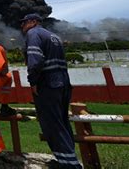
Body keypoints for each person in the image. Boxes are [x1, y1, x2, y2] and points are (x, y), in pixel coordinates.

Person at [20, 13, 82, 168]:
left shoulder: (33, 34)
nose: (22, 26)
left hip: (47, 83)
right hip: (63, 82)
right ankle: (69, 158)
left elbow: (35, 60)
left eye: (24, 23)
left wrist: (33, 81)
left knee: (52, 124)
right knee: (62, 121)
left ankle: (70, 165)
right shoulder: (54, 36)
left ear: (33, 22)